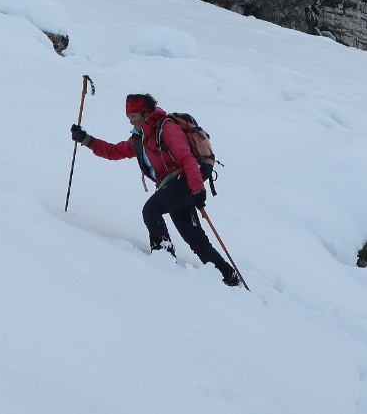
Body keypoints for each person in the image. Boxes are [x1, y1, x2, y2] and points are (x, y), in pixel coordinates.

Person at [72, 94, 241, 287]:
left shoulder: (166, 128)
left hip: (185, 181)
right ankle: (228, 276)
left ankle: (163, 257)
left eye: (134, 115)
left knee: (151, 209)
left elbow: (187, 158)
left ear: (145, 113)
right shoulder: (139, 138)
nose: (131, 120)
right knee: (195, 239)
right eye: (129, 116)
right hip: (173, 186)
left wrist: (197, 189)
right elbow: (114, 151)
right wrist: (86, 139)